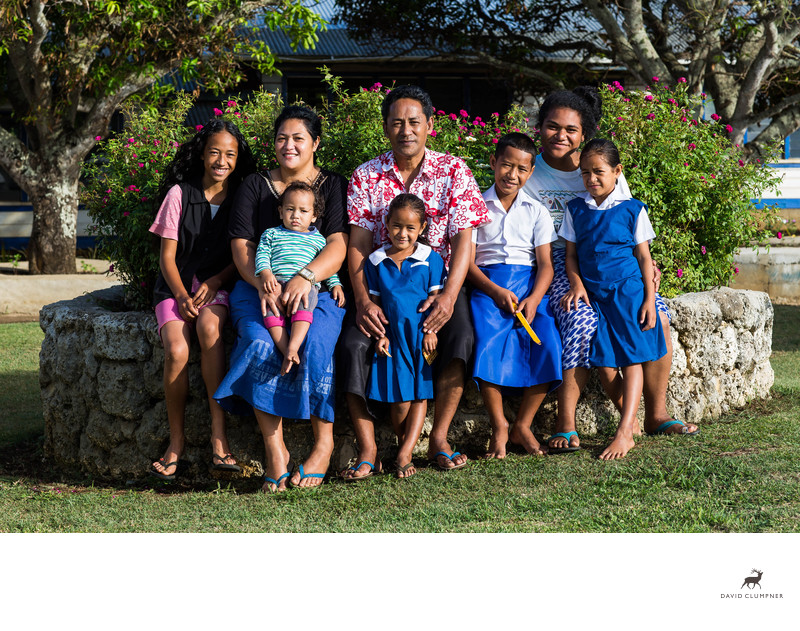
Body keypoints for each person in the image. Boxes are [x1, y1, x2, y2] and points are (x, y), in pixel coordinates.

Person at [523, 86, 698, 453]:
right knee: (582, 320)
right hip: (553, 262)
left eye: (570, 130)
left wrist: (646, 270)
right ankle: (567, 423)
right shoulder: (527, 168)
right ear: (539, 128)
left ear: (583, 134)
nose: (561, 135)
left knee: (659, 317)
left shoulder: (601, 167)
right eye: (552, 127)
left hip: (615, 269)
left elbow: (630, 228)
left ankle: (656, 414)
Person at [341, 84, 489, 478]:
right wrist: (363, 302)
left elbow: (463, 244)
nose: (406, 130)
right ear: (386, 128)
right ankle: (369, 448)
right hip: (382, 289)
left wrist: (448, 298)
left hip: (437, 287)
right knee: (353, 346)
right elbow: (357, 245)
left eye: (414, 122)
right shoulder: (366, 176)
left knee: (460, 337)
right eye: (397, 123)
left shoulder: (455, 170)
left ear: (429, 125)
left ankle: (438, 438)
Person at [214, 105, 349, 493]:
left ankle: (324, 443)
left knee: (318, 343)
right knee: (259, 344)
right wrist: (264, 284)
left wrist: (307, 277)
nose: (288, 146)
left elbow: (338, 244)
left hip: (316, 289)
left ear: (315, 143)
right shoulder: (254, 186)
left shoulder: (332, 186)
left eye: (298, 138)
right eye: (281, 138)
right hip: (259, 287)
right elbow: (241, 245)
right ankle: (276, 451)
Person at [148, 119, 256, 480]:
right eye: (214, 152)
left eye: (230, 154)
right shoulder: (180, 194)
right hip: (174, 287)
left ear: (238, 158)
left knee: (210, 328)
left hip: (217, 285)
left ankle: (219, 436)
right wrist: (180, 295)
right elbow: (166, 257)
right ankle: (176, 442)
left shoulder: (242, 197)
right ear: (202, 154)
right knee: (177, 350)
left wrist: (216, 280)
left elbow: (241, 254)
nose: (221, 160)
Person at [560, 138, 671, 459]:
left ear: (617, 171)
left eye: (599, 172)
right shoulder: (576, 210)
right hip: (595, 295)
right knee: (605, 363)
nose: (591, 179)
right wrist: (577, 285)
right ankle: (632, 420)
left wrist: (650, 300)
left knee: (630, 358)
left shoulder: (632, 210)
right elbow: (570, 256)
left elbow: (644, 258)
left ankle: (625, 432)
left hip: (628, 292)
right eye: (585, 173)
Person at [468, 132, 562, 459]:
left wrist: (535, 299)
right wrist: (494, 291)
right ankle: (500, 426)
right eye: (506, 165)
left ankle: (523, 424)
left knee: (546, 341)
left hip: (528, 286)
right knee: (486, 341)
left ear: (531, 172)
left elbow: (547, 266)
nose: (512, 174)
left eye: (522, 169)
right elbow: (467, 264)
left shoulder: (537, 211)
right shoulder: (475, 207)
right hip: (487, 287)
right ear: (493, 162)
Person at [363, 194, 445, 479]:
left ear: (422, 228)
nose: (403, 233)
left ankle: (405, 452)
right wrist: (380, 337)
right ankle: (402, 442)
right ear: (386, 224)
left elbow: (435, 302)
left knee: (421, 393)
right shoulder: (375, 263)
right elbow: (375, 306)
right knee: (399, 399)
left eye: (411, 228)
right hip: (393, 339)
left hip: (422, 338)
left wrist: (432, 331)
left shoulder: (430, 259)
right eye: (397, 226)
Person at [255, 181, 345, 376]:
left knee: (305, 307)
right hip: (276, 284)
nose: (296, 215)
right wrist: (266, 273)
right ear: (280, 212)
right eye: (290, 209)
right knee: (270, 311)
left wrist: (335, 284)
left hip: (306, 286)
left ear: (314, 216)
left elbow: (327, 266)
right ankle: (284, 348)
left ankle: (294, 347)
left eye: (303, 211)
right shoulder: (271, 234)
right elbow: (261, 255)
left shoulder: (318, 239)